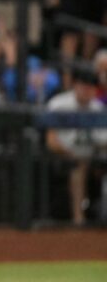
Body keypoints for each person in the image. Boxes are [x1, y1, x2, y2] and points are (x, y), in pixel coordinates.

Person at [46, 69, 107, 225]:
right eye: (83, 85)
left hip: (93, 157)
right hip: (64, 155)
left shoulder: (98, 108)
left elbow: (103, 141)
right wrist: (70, 154)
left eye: (91, 86)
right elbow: (51, 141)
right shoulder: (59, 104)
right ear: (75, 85)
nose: (87, 90)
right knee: (78, 165)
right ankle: (78, 218)